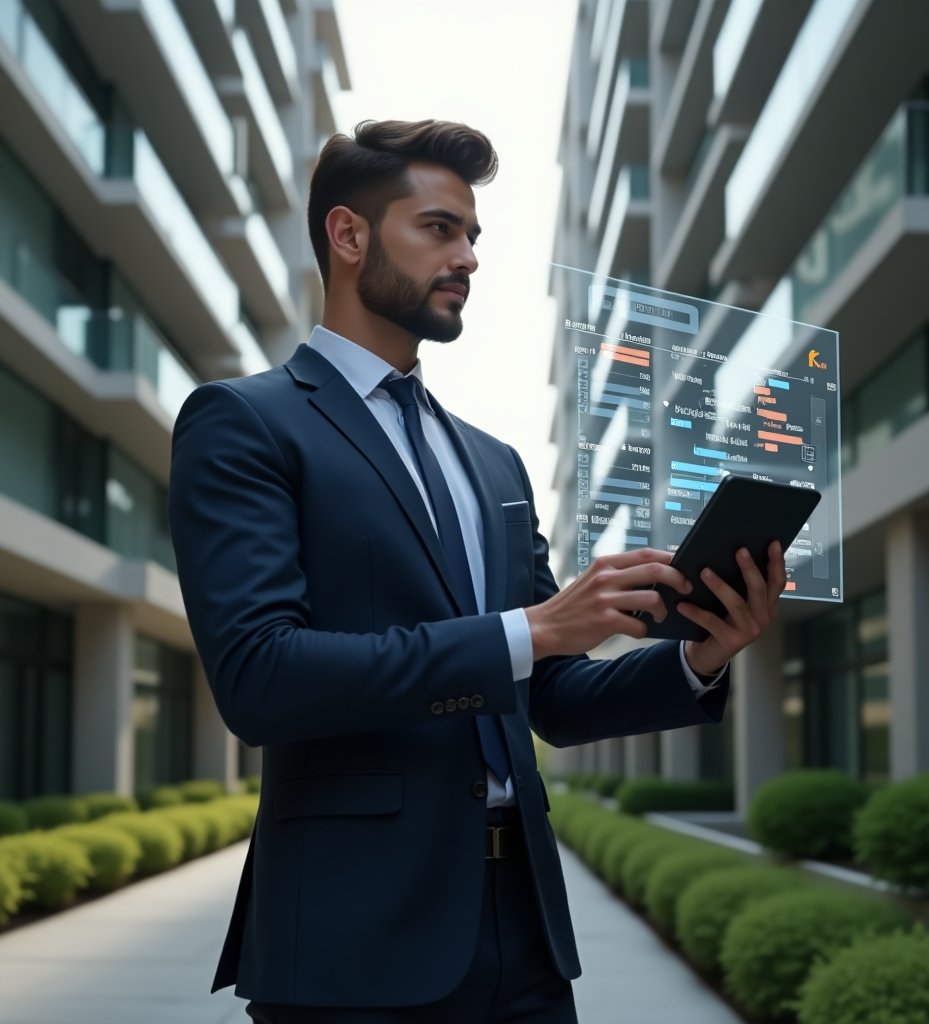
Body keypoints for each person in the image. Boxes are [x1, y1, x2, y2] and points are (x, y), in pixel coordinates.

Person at [167, 119, 786, 1024]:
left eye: (473, 235)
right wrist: (532, 630)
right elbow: (262, 679)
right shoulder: (245, 423)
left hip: (525, 942)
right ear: (349, 236)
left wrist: (699, 659)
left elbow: (555, 699)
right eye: (439, 229)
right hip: (352, 949)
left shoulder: (492, 463)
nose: (468, 257)